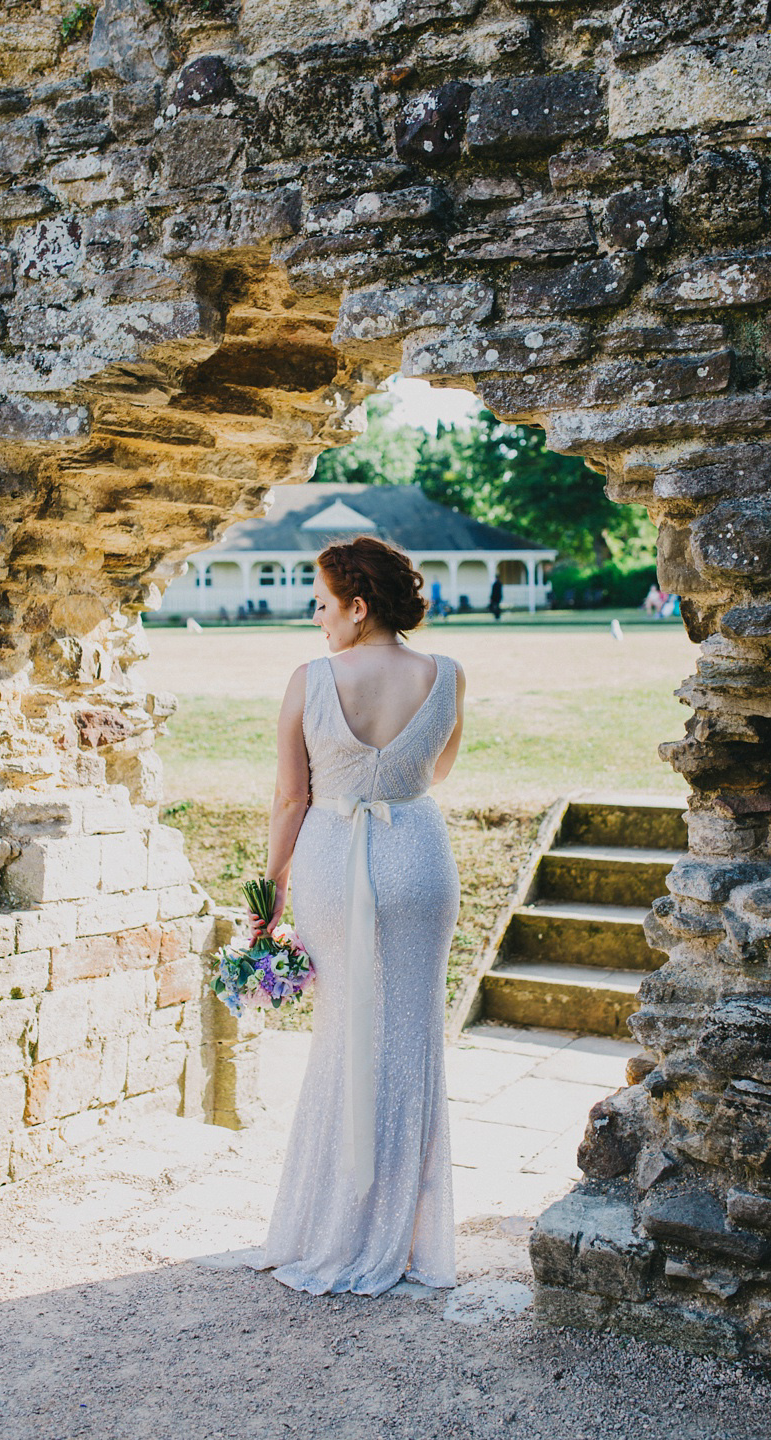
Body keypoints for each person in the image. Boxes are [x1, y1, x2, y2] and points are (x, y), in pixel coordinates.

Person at [249, 535, 466, 1296]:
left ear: (358, 606)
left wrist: (268, 890)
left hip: (334, 861)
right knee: (414, 1039)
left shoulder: (310, 680)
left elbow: (291, 798)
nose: (317, 617)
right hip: (419, 859)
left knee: (344, 1035)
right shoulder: (447, 674)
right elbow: (437, 767)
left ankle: (335, 1225)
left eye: (322, 603)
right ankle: (406, 1234)